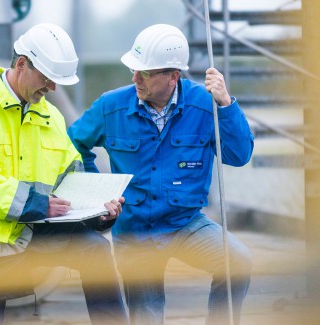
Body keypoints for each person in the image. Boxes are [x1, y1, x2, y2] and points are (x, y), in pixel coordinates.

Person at [0, 23, 128, 325]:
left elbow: (71, 175)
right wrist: (37, 204)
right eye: (47, 78)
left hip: (28, 232)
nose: (52, 88)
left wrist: (98, 210)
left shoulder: (50, 115)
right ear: (21, 64)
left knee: (95, 250)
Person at [68, 24, 254, 325]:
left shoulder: (204, 104)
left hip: (185, 222)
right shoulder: (110, 106)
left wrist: (226, 103)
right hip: (135, 229)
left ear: (173, 76)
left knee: (238, 262)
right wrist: (97, 193)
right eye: (133, 70)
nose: (134, 78)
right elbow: (73, 145)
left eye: (144, 73)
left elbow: (239, 155)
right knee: (147, 316)